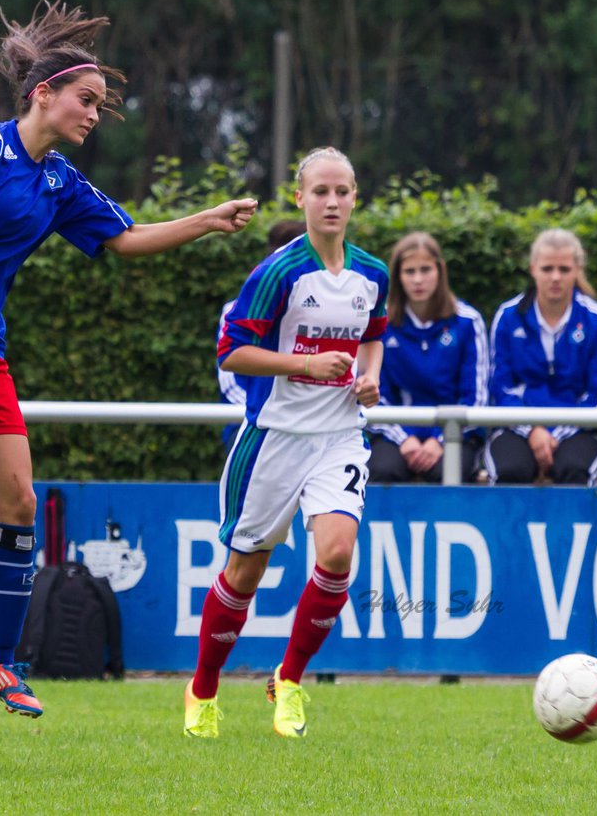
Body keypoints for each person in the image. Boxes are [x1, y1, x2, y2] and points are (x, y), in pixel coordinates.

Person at [0, 0, 258, 720]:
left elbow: (124, 240)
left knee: (18, 508)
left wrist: (206, 221)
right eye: (87, 100)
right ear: (42, 93)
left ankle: (0, 664)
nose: (95, 115)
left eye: (101, 106)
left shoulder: (58, 181)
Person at [184, 146, 387, 739]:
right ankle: (203, 690)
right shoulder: (277, 272)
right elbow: (231, 353)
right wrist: (302, 364)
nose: (331, 201)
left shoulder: (371, 272)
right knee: (245, 573)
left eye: (341, 191)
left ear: (355, 198)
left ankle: (290, 678)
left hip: (340, 436)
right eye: (319, 191)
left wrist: (369, 374)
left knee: (338, 555)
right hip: (273, 439)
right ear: (300, 199)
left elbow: (375, 334)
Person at [483, 228, 597, 485]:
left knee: (575, 469)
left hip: (580, 429)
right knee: (509, 469)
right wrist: (533, 430)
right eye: (547, 269)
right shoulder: (508, 316)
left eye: (564, 269)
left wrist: (557, 433)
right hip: (517, 427)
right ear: (533, 268)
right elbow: (500, 389)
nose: (555, 277)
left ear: (577, 270)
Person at [367, 232, 489, 483]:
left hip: (454, 434)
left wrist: (442, 440)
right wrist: (405, 439)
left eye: (425, 270)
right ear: (398, 277)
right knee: (383, 469)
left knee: (447, 471)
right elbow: (374, 392)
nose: (418, 279)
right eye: (409, 272)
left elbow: (476, 397)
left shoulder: (468, 321)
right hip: (397, 434)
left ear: (440, 271)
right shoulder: (381, 322)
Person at [217, 220, 308, 452]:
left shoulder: (332, 306)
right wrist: (265, 411)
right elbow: (229, 372)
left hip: (314, 425)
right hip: (253, 421)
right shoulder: (235, 310)